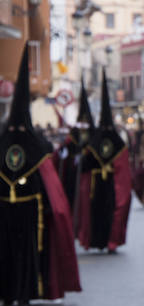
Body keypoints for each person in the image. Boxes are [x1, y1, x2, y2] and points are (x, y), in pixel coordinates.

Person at [0, 49, 80, 306]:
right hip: (3, 212)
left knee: (25, 256)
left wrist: (46, 208)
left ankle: (24, 292)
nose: (16, 132)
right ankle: (6, 293)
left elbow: (49, 187)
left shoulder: (38, 148)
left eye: (19, 128)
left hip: (30, 215)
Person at [76, 70, 131, 253]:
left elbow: (86, 164)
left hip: (100, 185)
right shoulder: (116, 141)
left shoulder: (96, 141)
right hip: (105, 185)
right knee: (101, 214)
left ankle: (103, 241)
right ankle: (106, 241)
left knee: (100, 214)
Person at [54, 78, 93, 209]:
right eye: (81, 120)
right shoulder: (74, 133)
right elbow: (67, 148)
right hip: (74, 173)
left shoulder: (94, 133)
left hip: (90, 174)